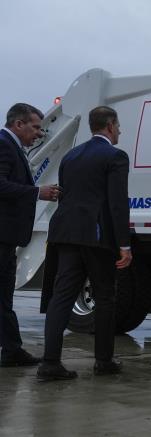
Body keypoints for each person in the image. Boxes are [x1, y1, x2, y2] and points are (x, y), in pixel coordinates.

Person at [37, 106, 131, 381]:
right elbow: (117, 203)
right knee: (105, 298)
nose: (120, 131)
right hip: (97, 237)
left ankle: (50, 362)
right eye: (119, 126)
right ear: (111, 125)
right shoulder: (115, 157)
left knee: (62, 297)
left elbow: (66, 195)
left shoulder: (71, 156)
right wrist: (124, 244)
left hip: (65, 233)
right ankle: (103, 361)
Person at [0, 103, 60, 367]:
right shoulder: (4, 145)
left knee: (3, 295)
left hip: (7, 235)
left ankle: (11, 350)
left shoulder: (12, 147)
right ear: (18, 124)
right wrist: (37, 192)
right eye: (35, 127)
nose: (39, 133)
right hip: (2, 235)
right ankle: (12, 350)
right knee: (2, 295)